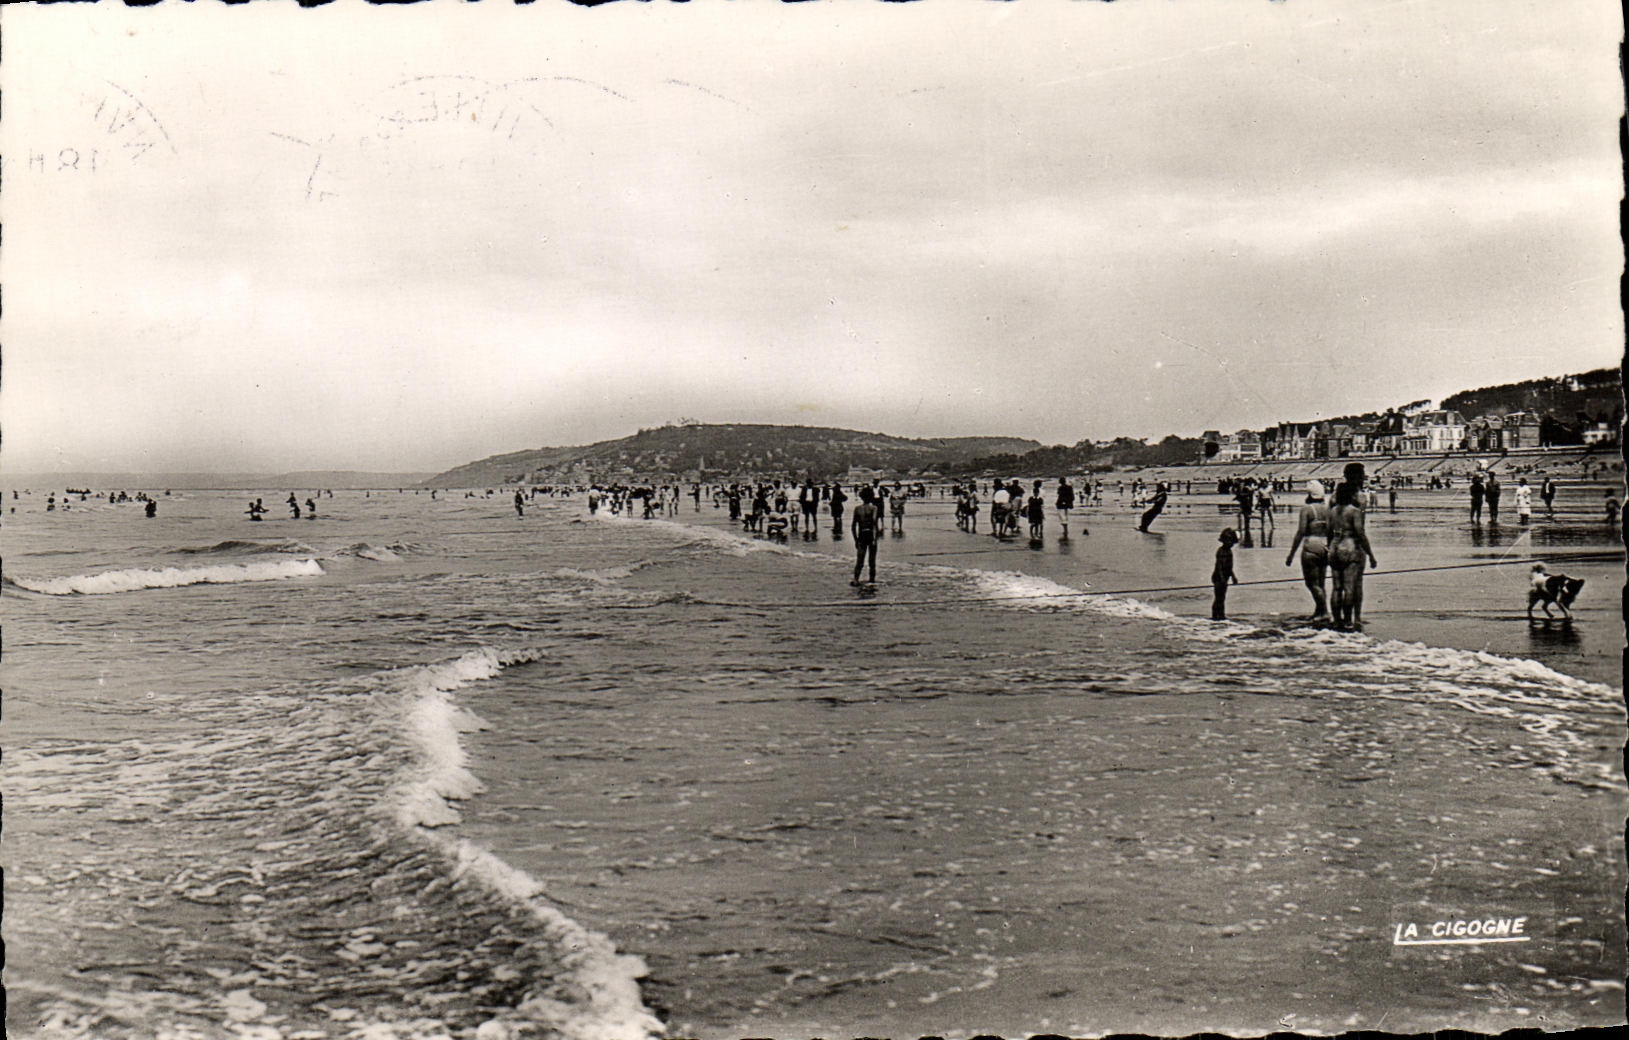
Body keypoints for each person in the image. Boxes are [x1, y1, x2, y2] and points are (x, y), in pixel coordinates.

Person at [1328, 481, 1378, 631]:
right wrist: (1370, 555)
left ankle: (1337, 621)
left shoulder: (1332, 510)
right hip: (1349, 546)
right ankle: (1349, 621)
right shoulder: (1354, 511)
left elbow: (1329, 532)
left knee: (1337, 588)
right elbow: (1360, 533)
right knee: (1349, 587)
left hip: (1334, 547)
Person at [1284, 480, 1331, 623]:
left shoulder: (1307, 509)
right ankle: (1319, 611)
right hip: (1325, 545)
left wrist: (1291, 554)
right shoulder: (1328, 509)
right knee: (1321, 583)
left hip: (1311, 545)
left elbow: (1301, 532)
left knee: (1312, 584)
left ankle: (1324, 612)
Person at [850, 487, 881, 586]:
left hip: (861, 535)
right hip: (870, 534)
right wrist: (875, 539)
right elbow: (875, 524)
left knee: (860, 560)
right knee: (872, 561)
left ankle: (856, 579)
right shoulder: (874, 508)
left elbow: (853, 526)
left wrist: (855, 539)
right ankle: (872, 580)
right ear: (871, 497)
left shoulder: (857, 509)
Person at [1211, 527, 1240, 620]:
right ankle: (1216, 615)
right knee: (1219, 597)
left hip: (1225, 577)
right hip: (1218, 577)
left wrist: (1233, 577)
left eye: (1232, 542)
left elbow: (1229, 567)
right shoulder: (1221, 551)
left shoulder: (1229, 551)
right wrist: (1222, 577)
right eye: (1229, 541)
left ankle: (1221, 615)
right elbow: (1219, 566)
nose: (1231, 544)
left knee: (1222, 597)